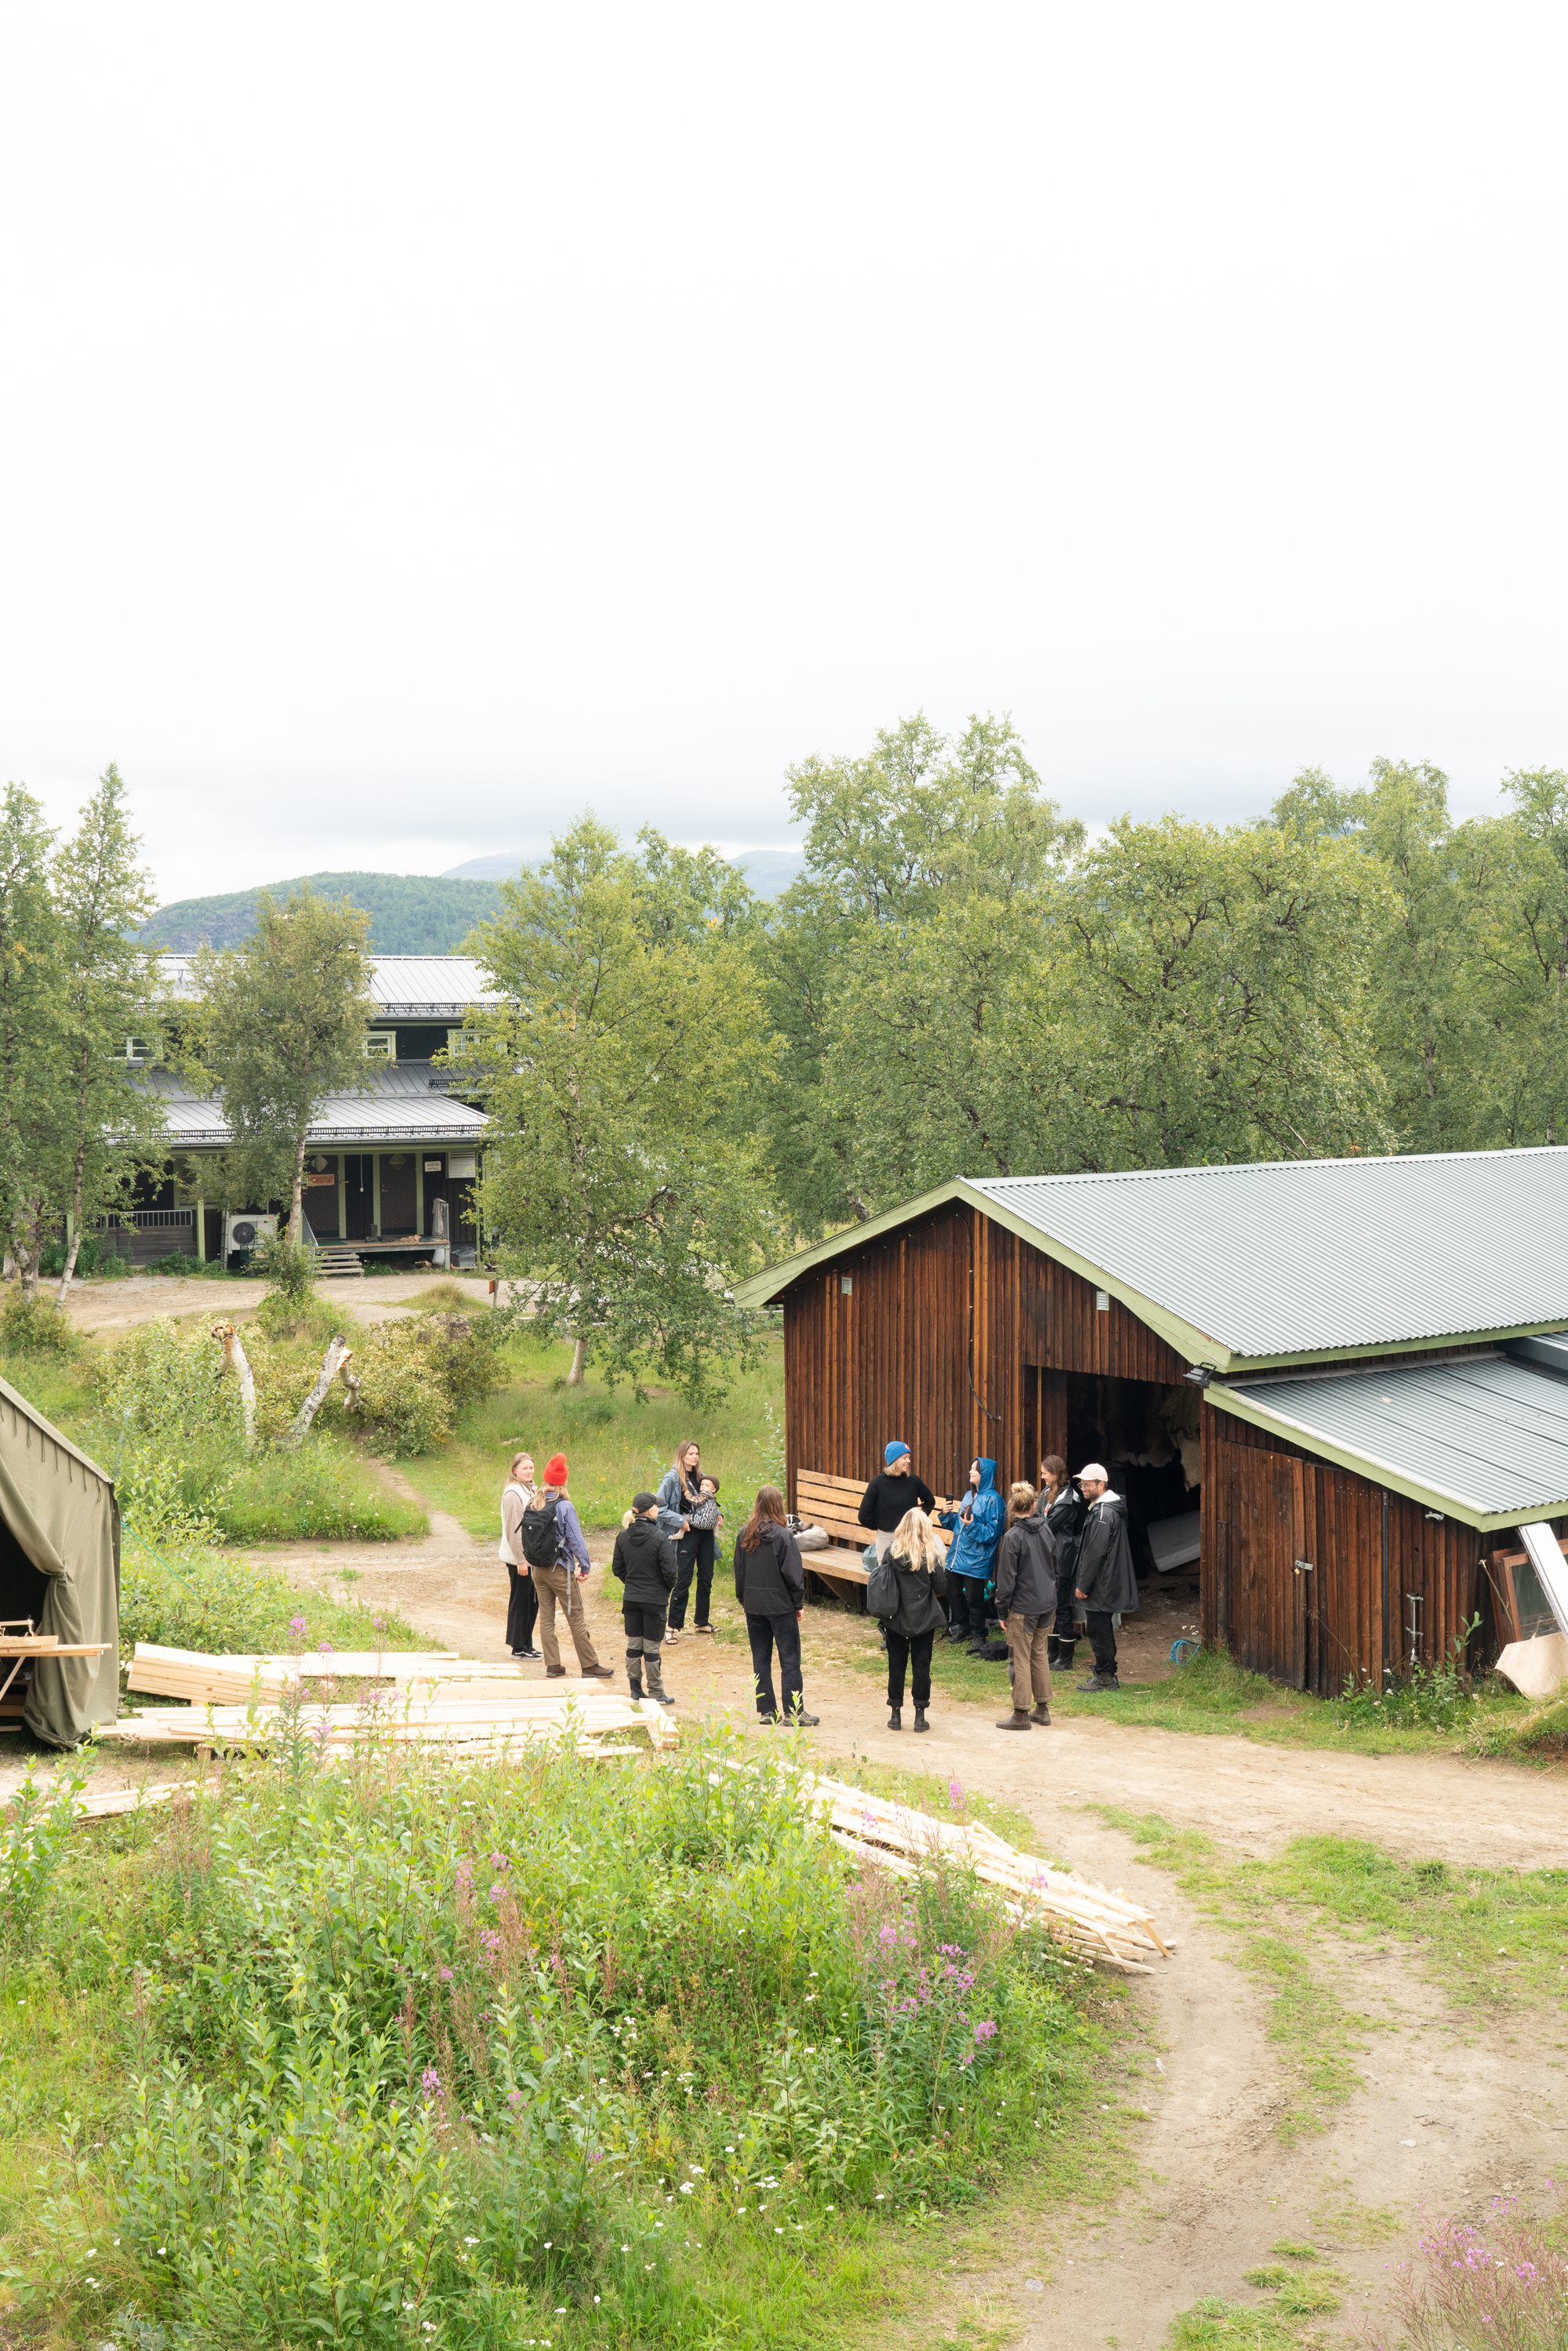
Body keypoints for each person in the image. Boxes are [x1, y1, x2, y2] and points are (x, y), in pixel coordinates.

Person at [735, 1484, 819, 1726]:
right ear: (778, 1504)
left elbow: (739, 1571)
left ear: (757, 1504)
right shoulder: (784, 1536)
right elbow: (793, 1574)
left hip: (754, 1605)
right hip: (781, 1607)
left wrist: (744, 1600)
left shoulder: (744, 1533)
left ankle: (767, 1712)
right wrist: (798, 1603)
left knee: (760, 1659)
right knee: (790, 1660)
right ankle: (794, 1713)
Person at [525, 1453, 615, 1682]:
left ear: (545, 1479)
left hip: (538, 1571)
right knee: (575, 1616)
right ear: (563, 1480)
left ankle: (553, 1665)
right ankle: (590, 1665)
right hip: (559, 1569)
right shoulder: (564, 1506)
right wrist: (585, 1566)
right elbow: (576, 1540)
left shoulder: (533, 1502)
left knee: (546, 1618)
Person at [993, 1480, 1058, 1730]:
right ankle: (1042, 1710)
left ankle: (1020, 1714)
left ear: (1012, 1506)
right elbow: (1057, 1567)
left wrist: (1002, 1610)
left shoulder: (1012, 1537)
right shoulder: (1046, 1530)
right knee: (1039, 1655)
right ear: (1034, 1505)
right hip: (1046, 1604)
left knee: (1020, 1658)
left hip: (1023, 1608)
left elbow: (1006, 1581)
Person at [1073, 1462, 1139, 1692]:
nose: (1083, 1487)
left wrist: (1083, 1584)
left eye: (1088, 1484)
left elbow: (1095, 1553)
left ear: (1102, 1485)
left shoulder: (1102, 1513)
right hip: (1105, 1581)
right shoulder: (1106, 1510)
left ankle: (1106, 1678)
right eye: (1081, 1483)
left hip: (1101, 1583)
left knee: (1098, 1630)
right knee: (1100, 1628)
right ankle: (1105, 1674)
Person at [881, 1506, 947, 1732]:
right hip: (924, 1618)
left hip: (896, 1617)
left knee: (896, 1665)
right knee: (922, 1667)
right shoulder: (931, 1555)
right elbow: (941, 1587)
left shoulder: (892, 1552)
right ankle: (920, 1715)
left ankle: (895, 1714)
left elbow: (883, 1579)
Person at [611, 1491, 677, 1707]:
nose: (659, 1509)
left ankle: (636, 1690)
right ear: (651, 1511)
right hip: (654, 1600)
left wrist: (632, 1584)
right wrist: (663, 1590)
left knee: (633, 1645)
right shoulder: (659, 1537)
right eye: (657, 1507)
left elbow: (617, 1569)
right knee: (651, 1648)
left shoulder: (623, 1536)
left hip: (631, 1598)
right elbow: (670, 1573)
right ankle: (657, 1692)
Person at [938, 1458, 1005, 1647]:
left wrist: (972, 1526)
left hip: (977, 1559)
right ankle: (964, 1627)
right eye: (970, 1469)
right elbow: (959, 1525)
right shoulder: (969, 1495)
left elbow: (993, 1533)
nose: (970, 1472)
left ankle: (979, 1634)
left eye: (974, 1470)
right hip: (957, 1556)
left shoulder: (995, 1500)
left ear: (985, 1475)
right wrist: (946, 1515)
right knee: (952, 1592)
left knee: (975, 1599)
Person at [657, 1441, 716, 1644]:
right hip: (688, 1533)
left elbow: (710, 1499)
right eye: (691, 1453)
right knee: (683, 1580)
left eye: (697, 1453)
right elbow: (660, 1508)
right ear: (682, 1455)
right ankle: (671, 1627)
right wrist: (680, 1521)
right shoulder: (672, 1478)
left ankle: (701, 1622)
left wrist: (720, 1513)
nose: (695, 1457)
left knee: (706, 1577)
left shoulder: (701, 1476)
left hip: (706, 1534)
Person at [1040, 1455, 1087, 1673]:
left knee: (1061, 1606)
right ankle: (1053, 1653)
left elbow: (1047, 1525)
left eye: (1045, 1473)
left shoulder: (1069, 1499)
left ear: (1056, 1474)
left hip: (1062, 1558)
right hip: (1049, 1557)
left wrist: (1035, 1519)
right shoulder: (1047, 1494)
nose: (1042, 1477)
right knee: (1051, 1606)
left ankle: (1065, 1658)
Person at [858, 1441, 937, 1560]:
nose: (908, 1461)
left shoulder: (913, 1481)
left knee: (910, 1575)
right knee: (886, 1577)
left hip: (911, 1539)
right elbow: (863, 1515)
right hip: (886, 1540)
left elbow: (930, 1502)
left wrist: (916, 1519)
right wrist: (881, 1526)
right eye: (904, 1458)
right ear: (894, 1460)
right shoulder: (877, 1483)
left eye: (908, 1457)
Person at [499, 1450, 543, 1660]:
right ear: (514, 1470)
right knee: (521, 1601)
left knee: (532, 1601)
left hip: (530, 1557)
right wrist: (521, 1560)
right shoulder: (513, 1494)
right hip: (519, 1559)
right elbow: (513, 1530)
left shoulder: (531, 1489)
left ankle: (527, 1644)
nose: (529, 1471)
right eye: (524, 1468)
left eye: (531, 1468)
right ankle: (518, 1647)